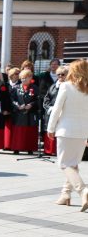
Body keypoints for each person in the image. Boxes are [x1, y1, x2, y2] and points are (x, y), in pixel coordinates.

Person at [46, 60, 88, 209]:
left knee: (64, 164)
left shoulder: (66, 86)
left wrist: (50, 128)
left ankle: (83, 190)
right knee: (73, 164)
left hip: (66, 130)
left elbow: (57, 109)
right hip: (82, 132)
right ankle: (65, 194)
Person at [8, 69, 39, 155]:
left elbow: (38, 99)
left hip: (30, 113)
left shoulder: (34, 88)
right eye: (22, 78)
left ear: (30, 78)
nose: (23, 80)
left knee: (30, 132)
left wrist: (31, 104)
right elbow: (12, 99)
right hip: (19, 113)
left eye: (25, 78)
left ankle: (30, 148)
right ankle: (16, 148)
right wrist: (17, 105)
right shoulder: (16, 88)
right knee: (18, 132)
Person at [43, 65, 68, 156]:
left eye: (63, 74)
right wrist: (50, 108)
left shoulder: (69, 87)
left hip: (64, 114)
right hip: (52, 112)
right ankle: (49, 150)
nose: (60, 76)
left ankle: (59, 151)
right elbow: (46, 99)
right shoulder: (53, 86)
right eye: (58, 75)